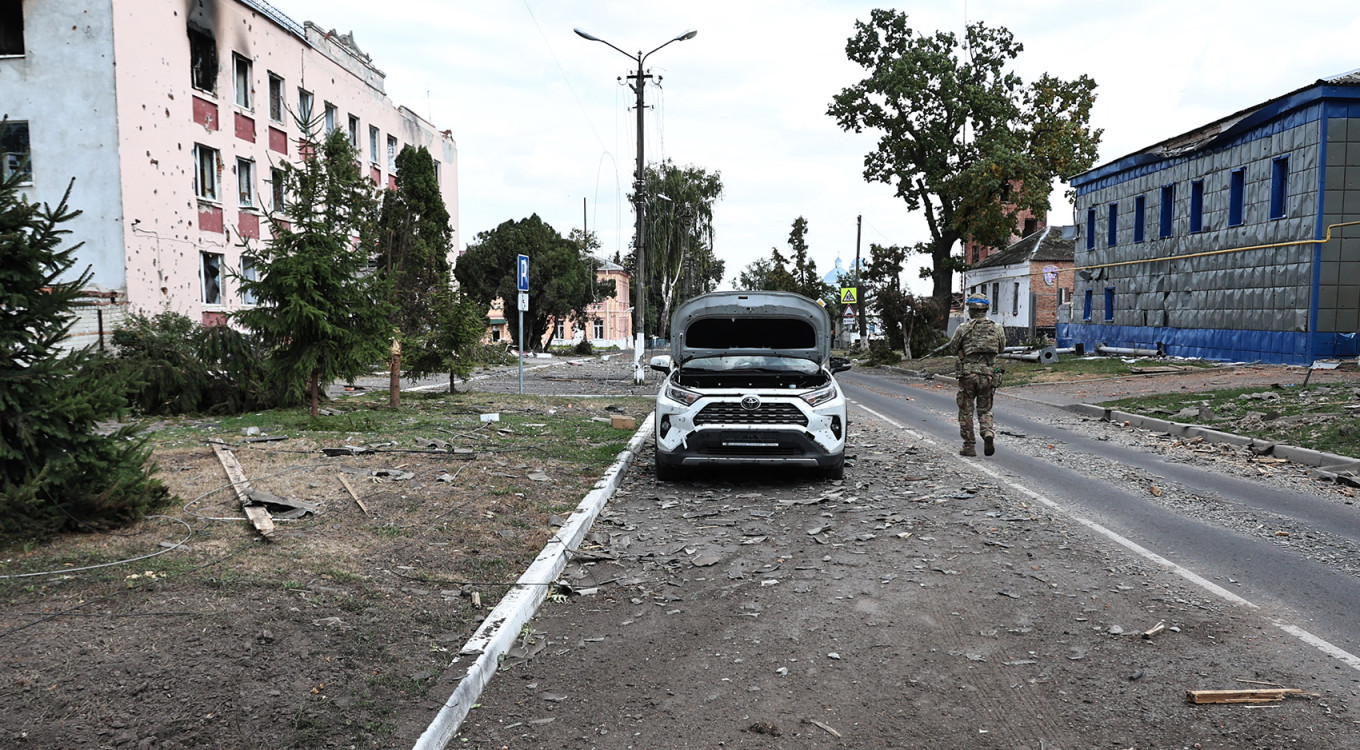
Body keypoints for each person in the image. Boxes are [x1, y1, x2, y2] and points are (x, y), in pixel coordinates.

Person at [948, 297, 1007, 457]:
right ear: (986, 310)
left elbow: (953, 348)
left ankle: (969, 446)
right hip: (988, 375)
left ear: (971, 310)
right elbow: (1001, 348)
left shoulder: (963, 328)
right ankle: (987, 432)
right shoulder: (997, 328)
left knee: (966, 411)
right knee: (985, 409)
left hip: (968, 375)